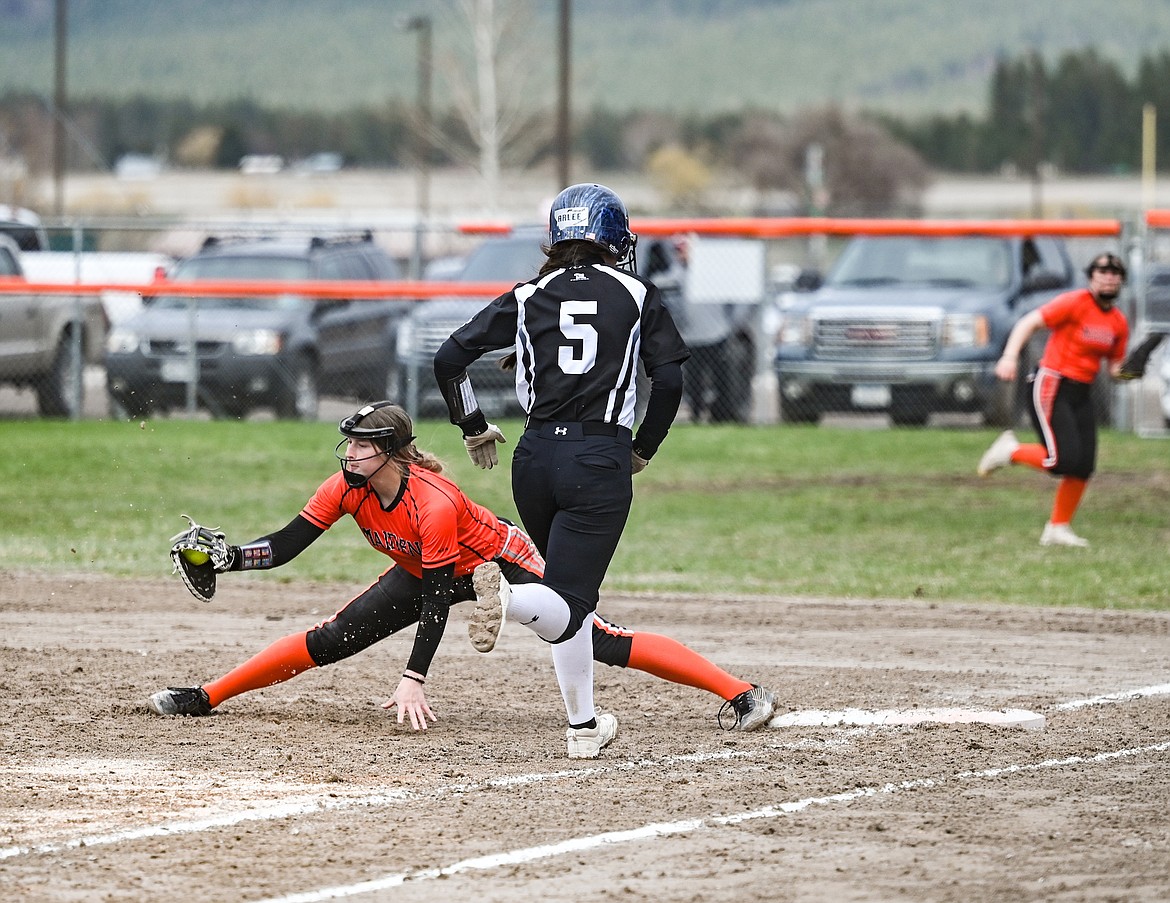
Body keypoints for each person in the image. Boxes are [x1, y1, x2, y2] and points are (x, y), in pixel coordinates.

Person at [147, 402, 777, 745]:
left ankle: (742, 693)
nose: (352, 453)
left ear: (392, 452)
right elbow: (286, 545)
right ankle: (205, 698)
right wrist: (229, 559)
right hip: (430, 569)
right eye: (350, 443)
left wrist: (413, 678)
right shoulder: (347, 486)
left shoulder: (433, 500)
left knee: (602, 642)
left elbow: (441, 599)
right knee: (330, 640)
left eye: (365, 445)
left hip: (499, 563)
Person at [433, 183, 773, 759]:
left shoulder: (526, 295)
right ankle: (507, 599)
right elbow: (669, 381)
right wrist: (646, 446)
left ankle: (584, 727)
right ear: (611, 235)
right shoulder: (637, 293)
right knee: (564, 599)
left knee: (573, 604)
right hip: (597, 455)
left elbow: (448, 359)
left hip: (533, 457)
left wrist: (472, 426)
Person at [977, 252, 1130, 547]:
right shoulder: (1075, 303)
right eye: (1102, 270)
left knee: (1083, 465)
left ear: (1121, 280)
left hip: (1081, 392)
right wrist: (1009, 356)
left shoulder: (1118, 323)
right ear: (1091, 276)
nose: (1109, 276)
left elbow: (1114, 369)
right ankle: (1011, 451)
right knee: (1060, 460)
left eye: (1115, 272)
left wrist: (1129, 373)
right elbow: (1028, 323)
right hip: (1052, 383)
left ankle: (1057, 528)